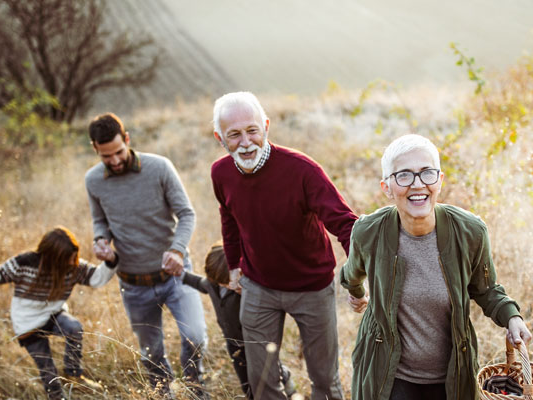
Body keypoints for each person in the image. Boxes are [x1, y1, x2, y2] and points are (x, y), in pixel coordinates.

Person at [340, 134, 533, 400]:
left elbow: (486, 290)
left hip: (452, 374)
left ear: (439, 181)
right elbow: (351, 275)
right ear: (387, 187)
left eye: (427, 173)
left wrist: (512, 317)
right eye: (404, 175)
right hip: (389, 371)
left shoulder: (470, 231)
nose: (418, 185)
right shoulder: (368, 231)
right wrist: (359, 294)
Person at [210, 92, 358, 400]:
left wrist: (358, 277)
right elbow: (229, 217)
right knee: (262, 380)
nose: (245, 141)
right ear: (220, 137)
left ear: (265, 126)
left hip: (312, 288)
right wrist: (235, 265)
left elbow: (344, 223)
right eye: (234, 134)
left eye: (252, 130)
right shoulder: (221, 173)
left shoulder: (302, 170)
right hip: (258, 287)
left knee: (324, 380)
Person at [83, 113, 208, 397]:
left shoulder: (159, 167)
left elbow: (186, 214)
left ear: (127, 140)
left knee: (196, 337)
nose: (114, 161)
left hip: (176, 275)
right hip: (133, 282)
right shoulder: (93, 180)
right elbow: (100, 220)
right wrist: (101, 240)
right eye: (106, 156)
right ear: (95, 150)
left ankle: (194, 387)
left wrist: (177, 250)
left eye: (118, 152)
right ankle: (164, 394)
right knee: (151, 354)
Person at [0, 227, 113, 399]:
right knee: (48, 371)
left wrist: (111, 260)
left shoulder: (72, 267)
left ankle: (73, 375)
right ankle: (57, 397)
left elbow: (97, 278)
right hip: (27, 324)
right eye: (68, 258)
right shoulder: (25, 263)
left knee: (74, 328)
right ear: (53, 256)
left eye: (74, 257)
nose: (72, 262)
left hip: (53, 315)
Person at [180, 243, 297, 399]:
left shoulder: (245, 289)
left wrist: (246, 292)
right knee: (246, 382)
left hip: (256, 341)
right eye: (224, 283)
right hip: (234, 344)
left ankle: (288, 386)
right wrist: (182, 275)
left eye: (231, 281)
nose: (230, 286)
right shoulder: (212, 284)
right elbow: (200, 283)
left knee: (269, 373)